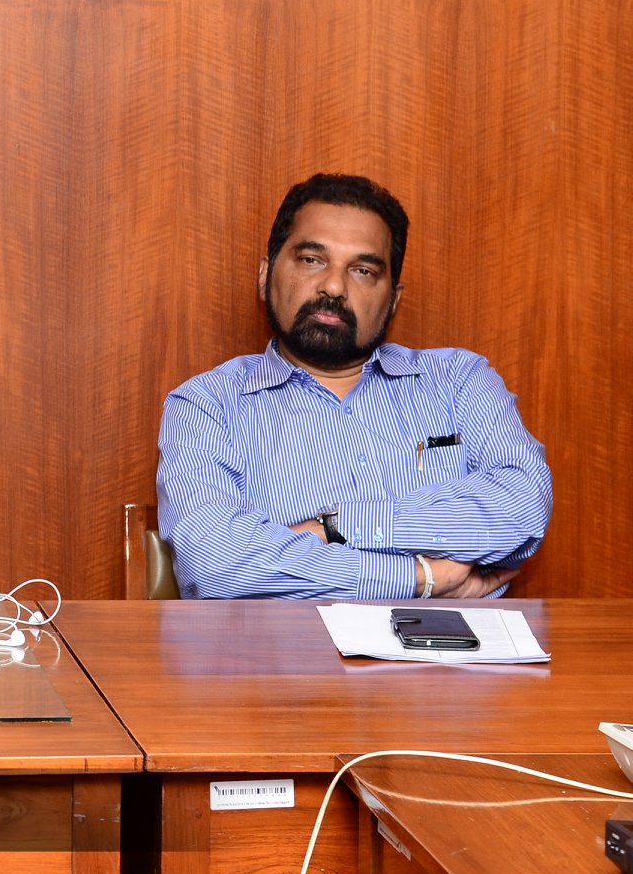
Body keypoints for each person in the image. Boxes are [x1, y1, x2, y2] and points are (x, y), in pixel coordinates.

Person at [156, 173, 551, 599]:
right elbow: (216, 566)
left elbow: (524, 506)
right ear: (265, 275)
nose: (333, 286)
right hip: (292, 644)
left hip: (455, 642)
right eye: (312, 260)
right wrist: (422, 578)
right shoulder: (206, 406)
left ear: (393, 299)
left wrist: (336, 527)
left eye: (363, 270)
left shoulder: (459, 380)